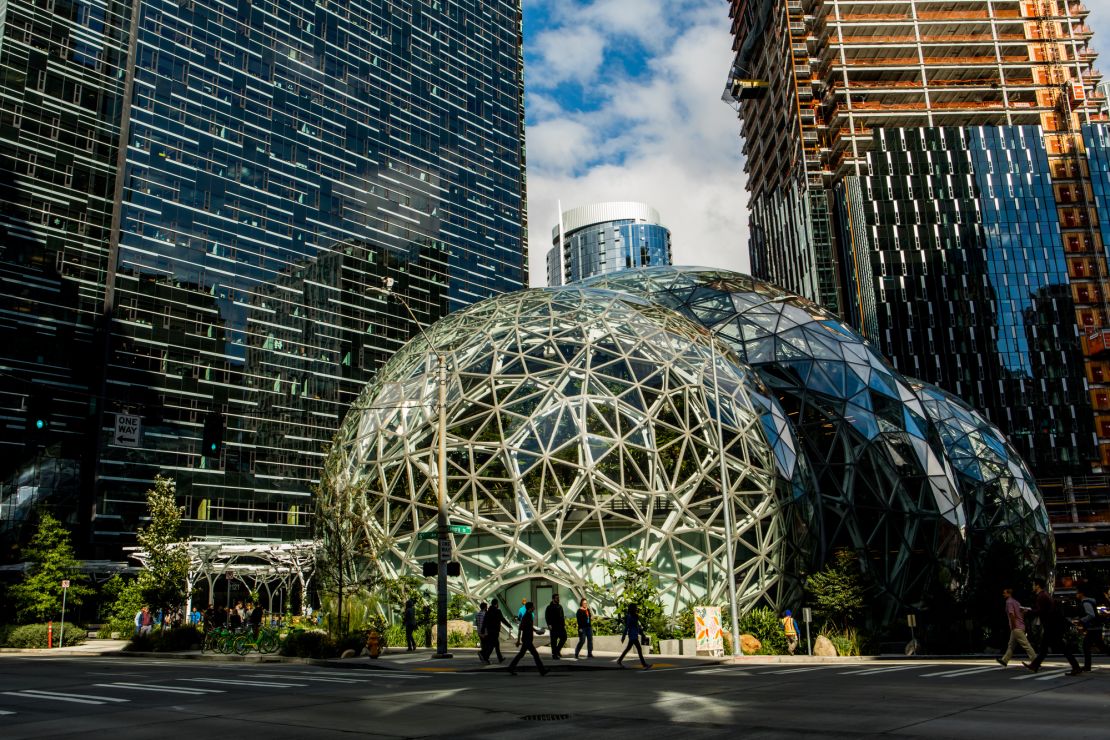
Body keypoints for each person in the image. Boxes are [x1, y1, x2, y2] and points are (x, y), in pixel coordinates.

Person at [1024, 577, 1081, 675]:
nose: (1032, 586)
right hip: (1053, 624)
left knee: (1059, 647)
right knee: (1045, 648)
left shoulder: (1041, 596)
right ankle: (1035, 665)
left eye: (1034, 584)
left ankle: (1076, 667)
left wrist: (1028, 612)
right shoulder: (1045, 595)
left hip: (1052, 625)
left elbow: (1041, 611)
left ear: (1037, 585)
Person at [996, 587, 1036, 667]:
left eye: (1005, 593)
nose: (1003, 594)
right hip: (1020, 625)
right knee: (1011, 645)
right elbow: (1022, 613)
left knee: (1026, 645)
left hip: (1016, 627)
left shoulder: (1009, 602)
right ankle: (1005, 660)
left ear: (1009, 593)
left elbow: (1011, 614)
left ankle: (1035, 661)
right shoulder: (1016, 602)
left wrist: (1013, 626)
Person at [507, 601, 548, 676]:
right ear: (530, 608)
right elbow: (520, 628)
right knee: (535, 654)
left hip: (527, 639)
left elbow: (530, 627)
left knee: (521, 654)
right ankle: (542, 670)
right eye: (533, 606)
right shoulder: (526, 616)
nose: (534, 607)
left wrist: (537, 631)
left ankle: (511, 667)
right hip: (527, 640)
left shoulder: (528, 615)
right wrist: (518, 640)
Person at [1075, 584, 1107, 672]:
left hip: (1093, 628)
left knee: (1087, 646)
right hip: (1095, 628)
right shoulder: (1089, 602)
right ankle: (1087, 666)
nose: (1076, 595)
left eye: (1077, 593)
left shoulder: (1086, 602)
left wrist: (1081, 620)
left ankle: (1087, 666)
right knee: (1100, 646)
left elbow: (1091, 615)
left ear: (1081, 594)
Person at [617, 603, 651, 669]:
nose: (636, 609)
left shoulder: (635, 616)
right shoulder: (630, 617)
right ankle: (644, 664)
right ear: (632, 609)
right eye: (635, 607)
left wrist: (642, 634)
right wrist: (623, 636)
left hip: (634, 635)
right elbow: (627, 627)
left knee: (628, 649)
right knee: (639, 649)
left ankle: (619, 660)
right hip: (632, 635)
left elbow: (637, 626)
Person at [544, 594, 567, 659]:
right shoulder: (549, 607)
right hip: (553, 627)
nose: (558, 599)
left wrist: (564, 624)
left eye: (558, 598)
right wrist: (549, 625)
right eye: (557, 598)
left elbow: (562, 616)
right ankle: (554, 655)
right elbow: (547, 617)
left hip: (561, 626)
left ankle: (557, 650)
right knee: (554, 641)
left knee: (564, 637)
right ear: (553, 599)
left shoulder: (560, 606)